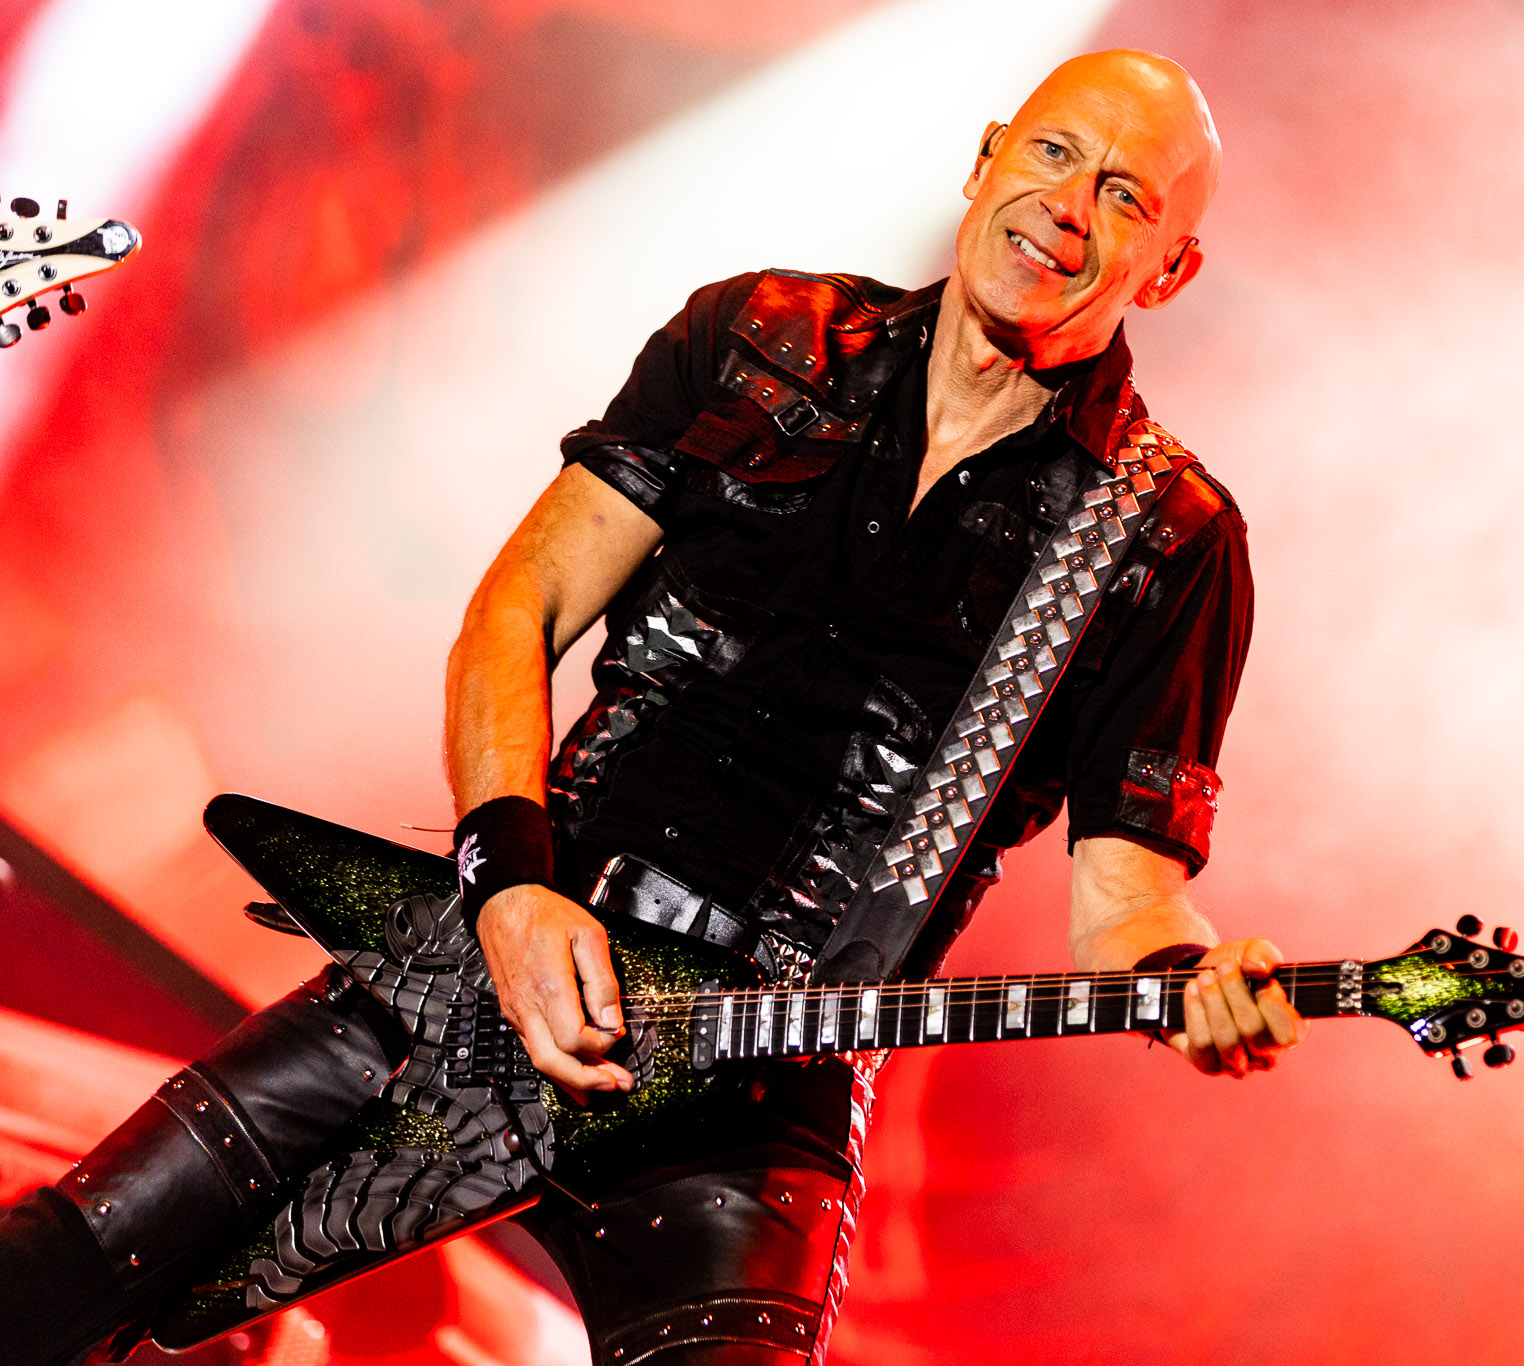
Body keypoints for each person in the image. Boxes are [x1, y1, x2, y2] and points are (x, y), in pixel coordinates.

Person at [0, 48, 1304, 1365]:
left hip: (761, 1081)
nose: (1069, 207)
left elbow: (1128, 901)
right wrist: (511, 890)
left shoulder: (1167, 541)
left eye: (1127, 197)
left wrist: (1188, 982)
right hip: (502, 958)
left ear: (1169, 270)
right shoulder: (759, 335)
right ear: (985, 159)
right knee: (53, 1271)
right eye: (1055, 152)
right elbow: (519, 609)